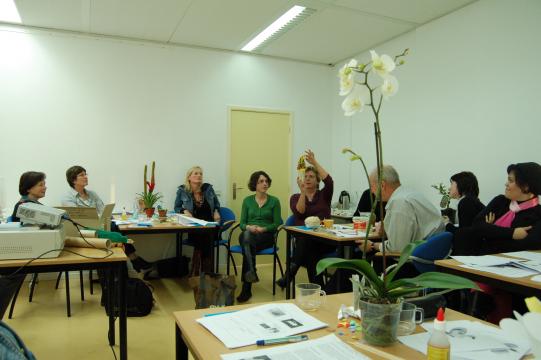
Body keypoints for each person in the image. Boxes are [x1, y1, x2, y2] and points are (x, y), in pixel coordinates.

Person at [61, 165, 153, 272]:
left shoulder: (92, 194)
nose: (86, 177)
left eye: (86, 174)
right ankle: (133, 259)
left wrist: (105, 216)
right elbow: (77, 218)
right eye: (82, 175)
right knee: (114, 229)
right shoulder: (67, 197)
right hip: (83, 230)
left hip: (99, 225)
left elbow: (102, 210)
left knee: (115, 226)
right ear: (73, 179)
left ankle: (128, 264)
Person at [453, 162, 541, 255]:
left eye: (511, 181)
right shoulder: (501, 201)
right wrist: (512, 233)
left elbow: (530, 244)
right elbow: (477, 226)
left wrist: (490, 230)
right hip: (482, 258)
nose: (506, 184)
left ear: (526, 187)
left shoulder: (537, 213)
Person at [276, 150, 334, 288]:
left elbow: (329, 181)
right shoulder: (295, 197)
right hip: (306, 240)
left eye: (311, 176)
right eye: (306, 176)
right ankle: (319, 288)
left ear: (317, 180)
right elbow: (300, 211)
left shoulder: (324, 195)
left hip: (324, 239)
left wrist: (314, 162)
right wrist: (303, 192)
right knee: (308, 245)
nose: (307, 179)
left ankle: (289, 276)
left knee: (307, 245)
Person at [357, 165, 445, 254]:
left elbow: (397, 249)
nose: (371, 191)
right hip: (434, 250)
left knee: (366, 255)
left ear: (382, 185)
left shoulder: (399, 203)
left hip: (418, 258)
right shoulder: (409, 193)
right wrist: (388, 230)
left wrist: (372, 245)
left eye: (372, 186)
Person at [2, 172, 47, 319]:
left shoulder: (33, 204)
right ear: (28, 188)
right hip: (21, 259)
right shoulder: (25, 206)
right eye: (41, 185)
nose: (45, 187)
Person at [236, 171, 282, 302]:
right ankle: (251, 272)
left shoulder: (274, 201)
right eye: (261, 181)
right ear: (254, 184)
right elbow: (242, 223)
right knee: (247, 237)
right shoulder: (247, 201)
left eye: (266, 181)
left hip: (266, 236)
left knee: (247, 245)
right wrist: (249, 227)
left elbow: (277, 223)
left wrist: (264, 229)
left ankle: (247, 288)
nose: (265, 184)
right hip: (248, 234)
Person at [174, 166, 221, 274]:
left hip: (210, 225)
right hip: (194, 226)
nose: (199, 175)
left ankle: (196, 273)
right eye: (195, 173)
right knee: (203, 238)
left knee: (204, 237)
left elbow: (217, 204)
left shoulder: (208, 189)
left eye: (200, 173)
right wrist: (183, 211)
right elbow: (176, 207)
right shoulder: (182, 191)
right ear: (189, 177)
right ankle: (206, 274)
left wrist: (216, 211)